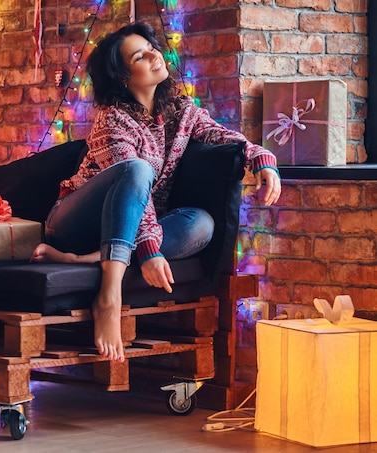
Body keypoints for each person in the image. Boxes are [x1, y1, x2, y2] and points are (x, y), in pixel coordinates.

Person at [31, 22, 281, 362]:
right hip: (76, 224)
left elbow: (220, 135)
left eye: (152, 48)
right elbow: (137, 187)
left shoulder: (179, 110)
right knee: (137, 170)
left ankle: (95, 259)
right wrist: (149, 250)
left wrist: (261, 158)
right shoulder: (112, 120)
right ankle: (109, 297)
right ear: (122, 77)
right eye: (140, 56)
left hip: (125, 230)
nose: (154, 55)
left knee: (202, 224)